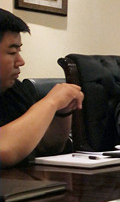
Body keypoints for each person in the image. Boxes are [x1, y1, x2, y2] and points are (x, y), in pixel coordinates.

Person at [0, 9, 84, 167]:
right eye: (12, 52)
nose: (21, 61)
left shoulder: (14, 90)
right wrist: (50, 102)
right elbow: (4, 150)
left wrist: (62, 112)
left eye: (19, 51)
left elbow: (48, 147)